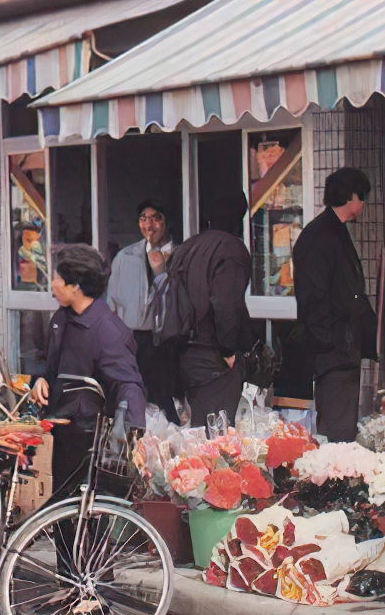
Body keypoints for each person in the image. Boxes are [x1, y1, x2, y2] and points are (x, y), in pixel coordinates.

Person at [29, 244, 147, 495]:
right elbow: (43, 355)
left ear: (76, 287)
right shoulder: (61, 319)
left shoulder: (109, 331)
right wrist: (39, 378)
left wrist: (131, 434)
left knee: (83, 515)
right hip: (60, 432)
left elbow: (128, 384)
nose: (53, 283)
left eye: (59, 278)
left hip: (90, 441)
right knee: (60, 510)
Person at [292, 168, 377, 442]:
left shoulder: (330, 230)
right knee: (338, 435)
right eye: (362, 196)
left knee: (342, 429)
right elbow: (313, 299)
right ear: (351, 196)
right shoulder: (322, 235)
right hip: (332, 353)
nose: (363, 204)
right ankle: (334, 484)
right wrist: (339, 338)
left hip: (339, 349)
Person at [172, 193, 254, 425]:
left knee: (197, 435)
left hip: (184, 353)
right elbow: (225, 303)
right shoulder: (232, 249)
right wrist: (229, 350)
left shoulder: (186, 247)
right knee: (219, 440)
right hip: (214, 355)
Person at [107, 200, 180, 423]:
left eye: (155, 218)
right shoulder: (125, 257)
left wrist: (161, 272)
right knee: (131, 397)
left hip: (165, 342)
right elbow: (112, 301)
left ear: (165, 222)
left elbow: (176, 300)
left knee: (165, 403)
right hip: (132, 339)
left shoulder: (179, 255)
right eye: (143, 218)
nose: (148, 224)